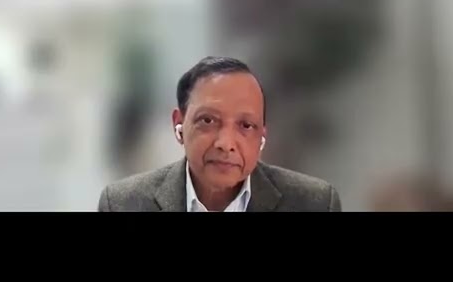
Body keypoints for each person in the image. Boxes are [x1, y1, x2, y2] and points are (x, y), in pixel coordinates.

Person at [97, 56, 342, 212]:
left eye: (246, 125)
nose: (225, 143)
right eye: (208, 121)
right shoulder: (122, 204)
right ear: (179, 124)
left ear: (261, 137)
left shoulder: (315, 204)